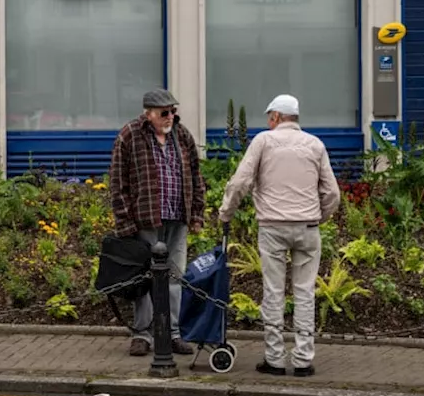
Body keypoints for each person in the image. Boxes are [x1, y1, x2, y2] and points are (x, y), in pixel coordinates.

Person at [218, 93, 340, 377]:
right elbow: (332, 192)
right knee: (305, 292)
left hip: (273, 227)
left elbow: (241, 182)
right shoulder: (315, 144)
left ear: (275, 117)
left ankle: (274, 359)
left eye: (269, 117)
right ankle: (303, 360)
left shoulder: (263, 141)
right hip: (308, 227)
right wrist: (319, 216)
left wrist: (226, 212)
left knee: (273, 292)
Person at [109, 89, 205, 357]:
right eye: (164, 112)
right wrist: (125, 224)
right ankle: (143, 335)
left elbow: (197, 178)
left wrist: (196, 214)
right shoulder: (129, 135)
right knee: (144, 278)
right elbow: (118, 184)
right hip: (146, 221)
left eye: (172, 111)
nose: (170, 116)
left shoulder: (182, 135)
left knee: (175, 277)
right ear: (148, 113)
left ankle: (173, 334)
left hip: (178, 218)